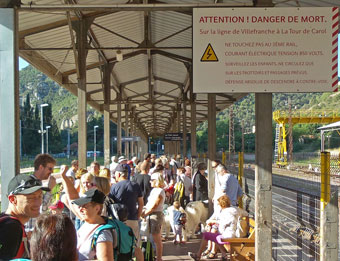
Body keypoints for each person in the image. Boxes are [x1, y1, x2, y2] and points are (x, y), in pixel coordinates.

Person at [0, 174, 50, 260]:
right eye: (31, 198)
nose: (38, 203)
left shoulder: (7, 221)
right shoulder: (11, 227)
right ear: (13, 200)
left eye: (40, 196)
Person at [188, 194, 248, 261]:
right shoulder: (236, 209)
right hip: (234, 233)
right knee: (214, 235)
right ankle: (224, 255)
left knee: (207, 235)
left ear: (221, 205)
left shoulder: (224, 213)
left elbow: (221, 229)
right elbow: (246, 214)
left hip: (228, 236)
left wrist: (214, 224)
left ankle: (198, 255)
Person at [109, 164, 144, 261]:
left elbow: (110, 205)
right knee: (136, 246)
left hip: (118, 222)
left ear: (119, 174)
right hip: (133, 219)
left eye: (115, 174)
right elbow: (141, 203)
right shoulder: (135, 185)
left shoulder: (114, 187)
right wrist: (137, 216)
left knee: (119, 246)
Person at [141, 172, 165, 261]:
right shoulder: (154, 190)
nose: (150, 182)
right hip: (150, 214)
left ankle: (159, 258)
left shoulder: (160, 191)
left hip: (155, 215)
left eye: (151, 180)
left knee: (156, 238)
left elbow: (155, 205)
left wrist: (145, 213)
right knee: (150, 236)